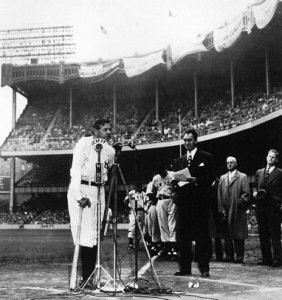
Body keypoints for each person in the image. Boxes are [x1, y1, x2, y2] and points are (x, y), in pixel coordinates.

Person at [67, 119, 115, 287]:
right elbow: (76, 169)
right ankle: (86, 278)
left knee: (95, 236)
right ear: (95, 131)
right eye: (104, 129)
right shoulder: (84, 143)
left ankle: (92, 276)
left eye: (110, 129)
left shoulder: (109, 149)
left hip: (99, 191)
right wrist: (79, 195)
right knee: (86, 236)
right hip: (83, 188)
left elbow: (108, 172)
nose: (108, 132)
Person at [173, 129, 215, 277]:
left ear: (196, 141)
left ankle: (204, 268)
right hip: (184, 204)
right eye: (184, 140)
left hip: (200, 203)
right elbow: (175, 182)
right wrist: (175, 185)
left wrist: (197, 180)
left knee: (202, 237)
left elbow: (211, 177)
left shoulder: (206, 157)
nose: (186, 143)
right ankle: (184, 268)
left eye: (189, 140)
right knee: (183, 237)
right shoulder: (179, 161)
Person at [218, 156, 250, 263]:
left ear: (235, 164)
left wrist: (239, 203)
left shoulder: (242, 177)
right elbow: (219, 195)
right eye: (227, 162)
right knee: (227, 234)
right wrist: (221, 208)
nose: (229, 164)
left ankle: (239, 256)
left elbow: (246, 193)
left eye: (231, 162)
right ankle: (229, 256)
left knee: (238, 234)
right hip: (226, 209)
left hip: (237, 210)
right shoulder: (222, 178)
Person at [252, 149, 282, 267]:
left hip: (274, 207)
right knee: (263, 234)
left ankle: (277, 259)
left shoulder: (280, 173)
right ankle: (266, 258)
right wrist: (254, 193)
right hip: (261, 207)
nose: (270, 158)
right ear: (266, 157)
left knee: (275, 234)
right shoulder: (259, 172)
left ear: (277, 160)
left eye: (273, 157)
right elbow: (254, 186)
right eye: (269, 156)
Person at [149, 162, 178, 261]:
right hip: (160, 200)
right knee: (163, 225)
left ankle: (174, 249)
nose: (161, 173)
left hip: (171, 199)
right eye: (159, 171)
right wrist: (154, 199)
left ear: (165, 168)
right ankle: (167, 249)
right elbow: (151, 191)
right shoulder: (156, 178)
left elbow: (179, 186)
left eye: (162, 170)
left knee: (172, 224)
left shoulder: (172, 175)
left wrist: (175, 193)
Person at [124, 182, 146, 249]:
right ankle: (130, 244)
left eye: (140, 186)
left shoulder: (144, 193)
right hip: (133, 210)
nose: (138, 187)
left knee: (140, 228)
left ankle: (137, 244)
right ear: (135, 187)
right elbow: (125, 200)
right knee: (132, 226)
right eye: (137, 186)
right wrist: (127, 208)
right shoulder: (132, 193)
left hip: (141, 210)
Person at [143, 181, 161, 256]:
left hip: (157, 205)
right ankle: (153, 244)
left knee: (156, 227)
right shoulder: (151, 184)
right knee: (151, 227)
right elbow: (150, 195)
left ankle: (157, 245)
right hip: (151, 206)